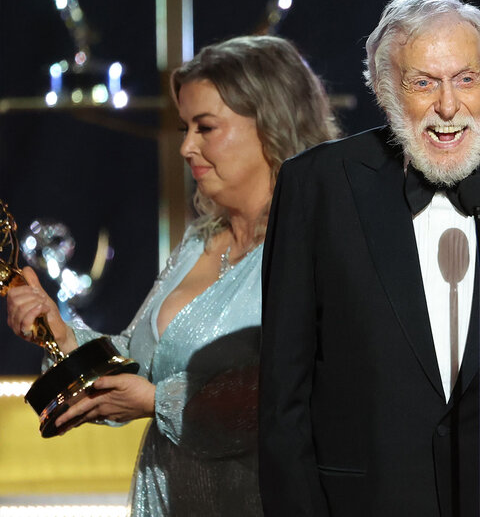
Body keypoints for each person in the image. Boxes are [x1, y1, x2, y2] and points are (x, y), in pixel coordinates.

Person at [259, 0, 480, 516]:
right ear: (382, 89)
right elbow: (283, 395)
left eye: (466, 79)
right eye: (423, 83)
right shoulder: (317, 187)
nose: (448, 106)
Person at [5, 35, 337, 516]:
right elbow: (136, 365)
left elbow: (303, 389)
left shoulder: (319, 244)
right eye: (185, 127)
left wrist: (159, 402)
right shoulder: (200, 241)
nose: (186, 146)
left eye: (205, 127)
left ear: (273, 125)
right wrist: (60, 336)